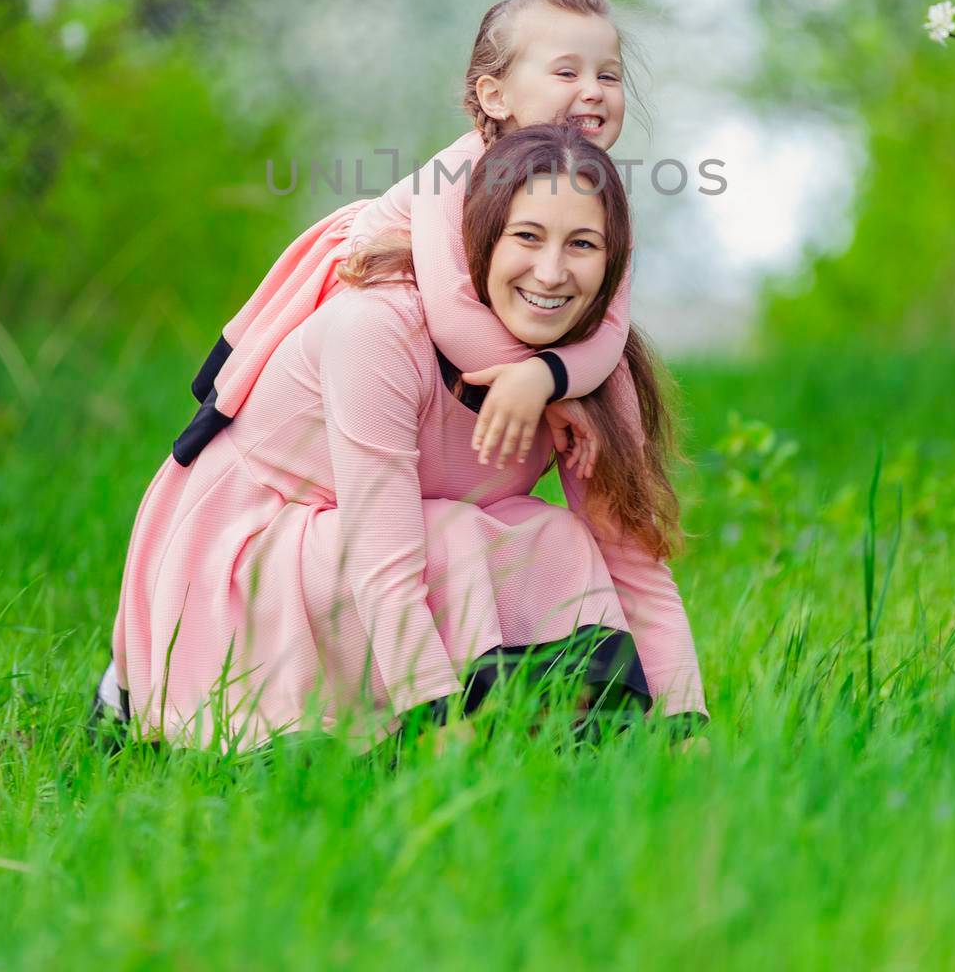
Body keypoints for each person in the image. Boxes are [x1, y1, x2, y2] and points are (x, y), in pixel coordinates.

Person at [103, 124, 707, 753]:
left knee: (555, 536)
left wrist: (687, 727)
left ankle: (575, 743)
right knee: (444, 532)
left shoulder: (587, 374)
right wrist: (436, 725)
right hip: (242, 567)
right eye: (527, 236)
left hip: (388, 555)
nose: (552, 272)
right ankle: (413, 738)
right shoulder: (379, 329)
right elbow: (382, 557)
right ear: (480, 238)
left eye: (582, 244)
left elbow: (633, 561)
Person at [172, 0, 637, 482]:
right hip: (375, 296)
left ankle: (628, 543)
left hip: (466, 338)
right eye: (567, 72)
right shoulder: (455, 173)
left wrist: (548, 377)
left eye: (608, 75)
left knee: (610, 377)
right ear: (496, 95)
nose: (593, 90)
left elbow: (610, 331)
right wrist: (536, 389)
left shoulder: (596, 200)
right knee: (369, 366)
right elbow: (453, 314)